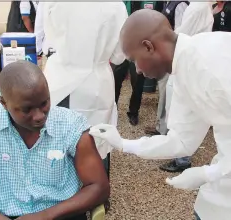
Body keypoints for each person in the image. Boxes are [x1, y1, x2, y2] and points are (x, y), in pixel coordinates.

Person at [89, 9, 231, 220]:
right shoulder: (183, 69)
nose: (136, 70)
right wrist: (123, 143)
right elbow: (181, 141)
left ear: (148, 46)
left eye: (135, 59)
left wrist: (207, 173)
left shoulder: (213, 64)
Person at [0, 61, 110, 220]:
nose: (39, 116)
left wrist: (46, 215)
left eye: (44, 103)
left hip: (61, 214)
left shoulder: (71, 125)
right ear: (4, 103)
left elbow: (99, 187)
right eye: (27, 109)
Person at [43, 2, 128, 181]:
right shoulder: (115, 5)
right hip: (96, 82)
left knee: (59, 140)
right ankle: (97, 195)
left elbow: (49, 40)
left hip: (60, 80)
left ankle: (60, 193)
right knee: (98, 139)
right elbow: (119, 56)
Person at [160, 1, 214, 172]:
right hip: (193, 61)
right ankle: (180, 152)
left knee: (181, 109)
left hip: (186, 61)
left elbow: (180, 35)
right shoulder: (203, 6)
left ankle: (182, 158)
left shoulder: (197, 6)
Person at [145, 1, 189, 135]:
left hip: (171, 56)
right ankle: (161, 126)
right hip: (165, 54)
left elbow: (180, 33)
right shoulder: (169, 3)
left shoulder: (181, 4)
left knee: (167, 93)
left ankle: (165, 130)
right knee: (163, 92)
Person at [113, 1, 157, 126]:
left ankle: (133, 112)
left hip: (140, 49)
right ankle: (113, 111)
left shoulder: (152, 2)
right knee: (115, 81)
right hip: (121, 49)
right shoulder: (120, 3)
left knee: (138, 83)